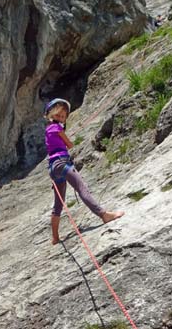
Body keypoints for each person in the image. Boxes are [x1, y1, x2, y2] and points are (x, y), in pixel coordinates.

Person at [45, 98, 124, 245]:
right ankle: (104, 215)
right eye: (58, 115)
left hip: (53, 168)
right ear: (51, 115)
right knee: (82, 188)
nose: (61, 118)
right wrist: (67, 141)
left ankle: (55, 238)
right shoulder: (57, 128)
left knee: (58, 204)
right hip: (63, 163)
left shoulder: (47, 130)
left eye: (63, 116)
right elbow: (69, 144)